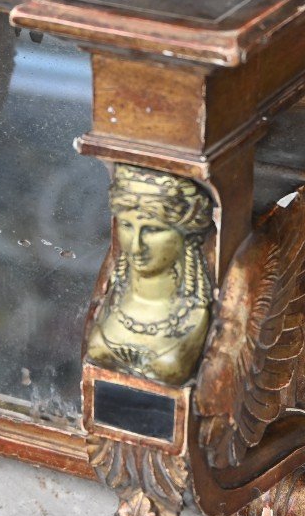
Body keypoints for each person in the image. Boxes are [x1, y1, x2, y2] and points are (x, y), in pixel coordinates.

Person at [86, 164, 212, 385]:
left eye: (153, 230)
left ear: (188, 235)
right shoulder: (111, 297)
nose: (136, 246)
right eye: (127, 225)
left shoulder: (197, 317)